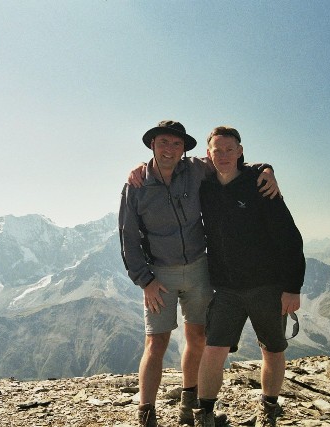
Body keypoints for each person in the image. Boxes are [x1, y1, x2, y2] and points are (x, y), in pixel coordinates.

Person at [119, 120, 280, 427]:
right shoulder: (135, 186)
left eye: (176, 144)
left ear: (185, 149)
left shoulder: (194, 169)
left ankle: (188, 406)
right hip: (159, 276)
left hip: (198, 269)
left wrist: (266, 168)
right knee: (156, 342)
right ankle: (146, 414)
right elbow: (128, 237)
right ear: (152, 145)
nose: (170, 149)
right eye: (163, 142)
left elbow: (228, 159)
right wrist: (145, 281)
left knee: (198, 337)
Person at [193, 126, 305, 427]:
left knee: (272, 349)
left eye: (230, 149)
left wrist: (292, 288)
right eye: (218, 150)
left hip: (267, 286)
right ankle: (204, 414)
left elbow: (290, 238)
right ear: (209, 154)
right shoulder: (206, 189)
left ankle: (268, 410)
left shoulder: (259, 185)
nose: (224, 155)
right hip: (226, 289)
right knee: (213, 349)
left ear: (240, 151)